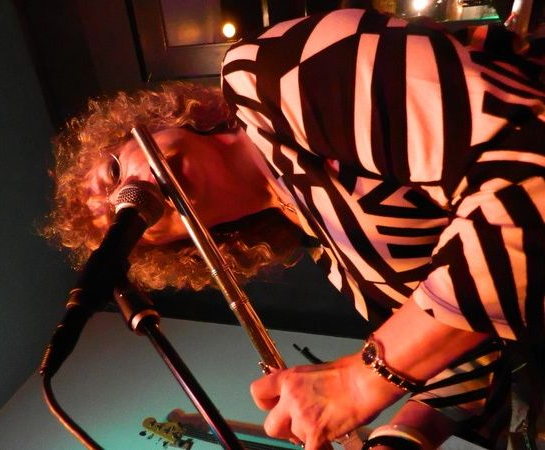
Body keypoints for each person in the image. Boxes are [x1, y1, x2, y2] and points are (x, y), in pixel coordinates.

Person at [44, 8, 544, 450]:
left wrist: (362, 380)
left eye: (115, 170)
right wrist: (398, 439)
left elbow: (530, 182)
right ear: (178, 243)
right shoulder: (333, 255)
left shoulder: (270, 77)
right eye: (127, 220)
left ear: (155, 123)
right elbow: (467, 355)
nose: (130, 194)